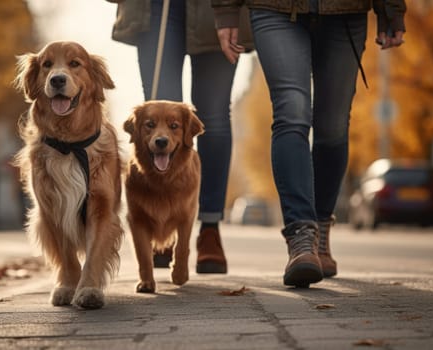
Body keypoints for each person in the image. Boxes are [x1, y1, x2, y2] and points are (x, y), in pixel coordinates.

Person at [211, 0, 406, 287]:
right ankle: (301, 237)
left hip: (344, 11)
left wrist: (391, 9)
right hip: (273, 7)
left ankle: (322, 227)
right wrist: (226, 10)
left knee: (333, 126)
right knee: (292, 112)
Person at [108, 0, 253, 273]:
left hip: (218, 5)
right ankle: (156, 228)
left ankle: (209, 227)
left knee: (213, 117)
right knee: (158, 114)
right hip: (155, 8)